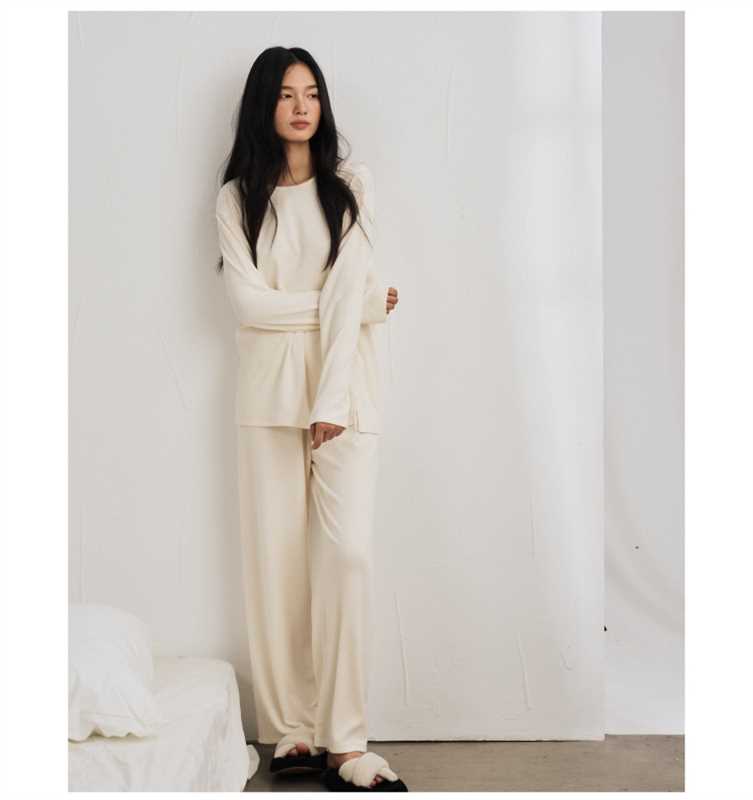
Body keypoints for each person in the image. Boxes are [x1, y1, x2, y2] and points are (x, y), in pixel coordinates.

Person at [215, 46, 407, 792]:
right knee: (275, 564)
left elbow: (336, 285)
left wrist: (330, 396)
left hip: (345, 395)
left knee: (346, 557)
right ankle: (293, 732)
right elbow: (248, 306)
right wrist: (356, 306)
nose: (302, 107)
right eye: (287, 94)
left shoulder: (350, 186)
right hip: (265, 395)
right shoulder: (237, 198)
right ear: (264, 105)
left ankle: (346, 741)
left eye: (313, 93)